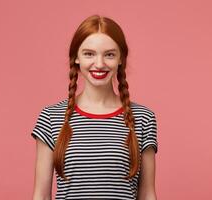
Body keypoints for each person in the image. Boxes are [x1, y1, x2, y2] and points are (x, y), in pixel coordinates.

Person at [31, 14, 158, 200]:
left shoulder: (143, 118)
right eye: (89, 54)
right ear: (76, 58)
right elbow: (41, 196)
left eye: (109, 55)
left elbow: (147, 194)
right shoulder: (51, 117)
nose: (99, 64)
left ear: (121, 59)